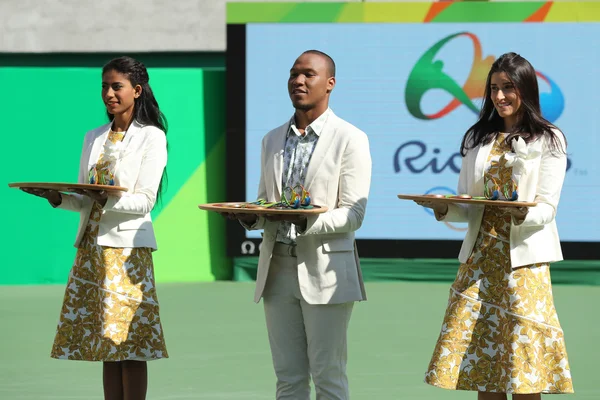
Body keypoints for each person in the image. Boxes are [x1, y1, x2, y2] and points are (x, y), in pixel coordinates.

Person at [417, 52, 573, 399]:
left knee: (524, 370)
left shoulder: (549, 139)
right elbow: (468, 206)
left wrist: (522, 214)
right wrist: (443, 208)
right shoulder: (478, 138)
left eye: (508, 88)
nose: (500, 96)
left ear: (526, 90)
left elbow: (548, 207)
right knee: (483, 369)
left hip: (524, 266)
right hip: (480, 263)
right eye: (494, 88)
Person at [21, 56, 168, 400]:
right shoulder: (94, 137)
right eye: (104, 86)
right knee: (105, 341)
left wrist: (106, 199)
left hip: (128, 252)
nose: (109, 93)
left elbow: (144, 201)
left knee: (129, 343)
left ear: (137, 90)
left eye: (117, 86)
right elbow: (84, 199)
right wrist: (55, 197)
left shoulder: (152, 137)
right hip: (91, 250)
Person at [230, 50, 372, 400]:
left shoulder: (350, 138)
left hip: (326, 270)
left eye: (309, 74)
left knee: (328, 377)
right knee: (288, 379)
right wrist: (251, 216)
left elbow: (353, 213)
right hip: (276, 268)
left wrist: (304, 221)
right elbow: (266, 202)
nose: (299, 81)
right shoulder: (272, 139)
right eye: (294, 74)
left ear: (330, 84)